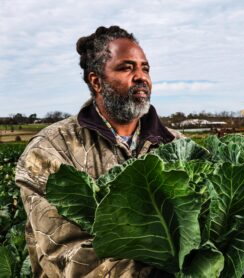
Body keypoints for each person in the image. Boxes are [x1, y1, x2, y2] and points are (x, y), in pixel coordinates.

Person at [15, 26, 183, 277]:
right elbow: (65, 253)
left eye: (145, 68)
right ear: (96, 81)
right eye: (127, 67)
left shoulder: (178, 146)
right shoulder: (49, 149)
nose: (141, 77)